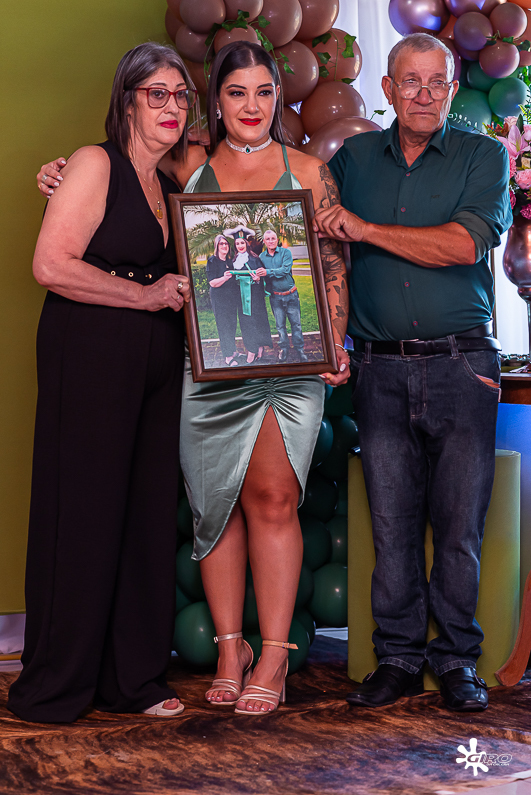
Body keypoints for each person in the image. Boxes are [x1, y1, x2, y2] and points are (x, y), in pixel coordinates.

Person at [37, 41, 350, 716]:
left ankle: (273, 656)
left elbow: (329, 265)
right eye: (235, 92)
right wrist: (60, 170)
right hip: (208, 361)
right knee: (213, 506)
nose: (251, 105)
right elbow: (119, 169)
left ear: (279, 96)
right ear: (218, 101)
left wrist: (334, 337)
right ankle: (230, 650)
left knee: (273, 498)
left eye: (263, 91)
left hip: (288, 360)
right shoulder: (186, 162)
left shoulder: (309, 170)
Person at [315, 33, 512, 712]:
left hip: (463, 363)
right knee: (392, 526)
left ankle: (456, 660)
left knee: (458, 527)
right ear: (388, 89)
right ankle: (397, 658)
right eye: (410, 81)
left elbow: (462, 244)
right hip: (378, 367)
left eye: (437, 82)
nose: (423, 94)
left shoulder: (484, 155)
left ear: (452, 89)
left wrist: (365, 229)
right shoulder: (351, 160)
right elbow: (290, 206)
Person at [9, 42, 194, 724]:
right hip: (89, 352)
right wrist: (144, 296)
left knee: (146, 514)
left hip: (155, 359)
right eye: (157, 94)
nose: (172, 106)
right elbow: (50, 265)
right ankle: (58, 682)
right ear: (127, 100)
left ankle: (132, 679)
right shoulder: (93, 163)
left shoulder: (170, 186)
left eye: (181, 95)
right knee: (83, 512)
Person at [256, 228, 307, 362]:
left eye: (273, 238)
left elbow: (284, 270)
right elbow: (262, 275)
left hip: (291, 295)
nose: (271, 241)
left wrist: (267, 272)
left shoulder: (286, 253)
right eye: (268, 239)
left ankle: (299, 349)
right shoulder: (261, 257)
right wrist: (258, 277)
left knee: (296, 324)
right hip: (275, 297)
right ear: (264, 241)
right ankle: (284, 349)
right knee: (280, 326)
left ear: (277, 240)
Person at [228, 230, 272, 364]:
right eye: (237, 244)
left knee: (257, 322)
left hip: (255, 298)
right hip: (240, 299)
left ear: (247, 244)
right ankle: (252, 348)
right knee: (246, 324)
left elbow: (265, 277)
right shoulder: (233, 261)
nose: (240, 246)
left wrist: (258, 279)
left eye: (242, 243)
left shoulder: (255, 259)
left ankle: (257, 349)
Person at [206, 234, 240, 366]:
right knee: (224, 326)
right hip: (220, 300)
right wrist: (224, 278)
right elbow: (212, 283)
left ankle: (232, 351)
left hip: (231, 299)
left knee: (232, 325)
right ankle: (228, 357)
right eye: (221, 244)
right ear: (217, 246)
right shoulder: (212, 261)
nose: (224, 246)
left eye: (226, 243)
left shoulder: (229, 261)